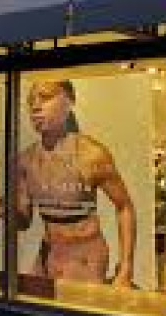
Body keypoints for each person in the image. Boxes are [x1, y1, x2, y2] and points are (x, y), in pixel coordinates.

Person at [17, 80, 136, 287]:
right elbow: (23, 222)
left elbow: (124, 207)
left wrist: (126, 267)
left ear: (69, 101)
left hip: (84, 256)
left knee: (74, 305)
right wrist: (5, 209)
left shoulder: (91, 155)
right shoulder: (26, 160)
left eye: (45, 97)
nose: (35, 106)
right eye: (31, 101)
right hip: (48, 253)